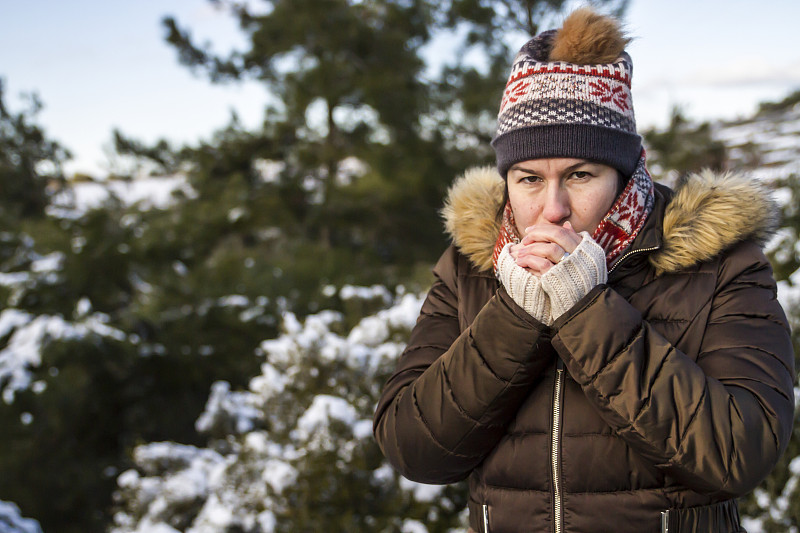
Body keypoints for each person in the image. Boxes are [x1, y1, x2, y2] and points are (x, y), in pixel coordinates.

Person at [372, 7, 796, 533]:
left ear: (623, 171)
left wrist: (585, 310)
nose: (552, 209)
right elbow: (413, 448)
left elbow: (741, 451)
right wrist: (516, 315)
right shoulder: (473, 266)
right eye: (528, 179)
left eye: (580, 174)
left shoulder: (721, 261)